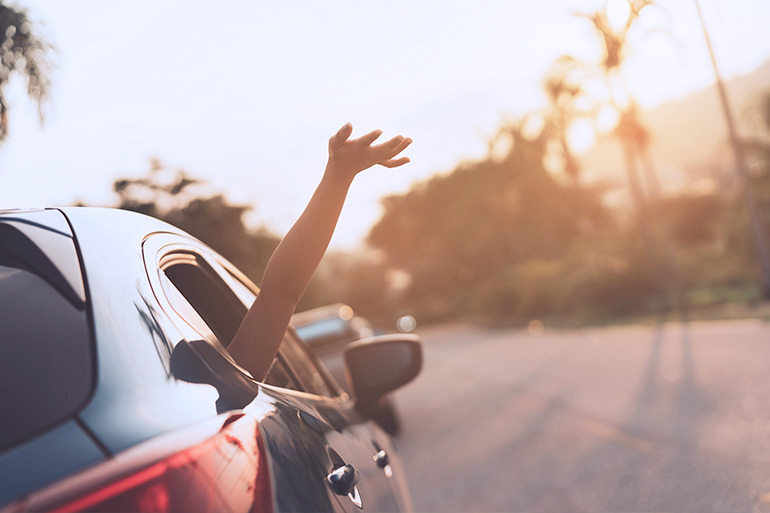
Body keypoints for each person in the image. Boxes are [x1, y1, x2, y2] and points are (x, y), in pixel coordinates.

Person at [227, 123, 412, 380]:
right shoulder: (226, 386)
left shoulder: (226, 384)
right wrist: (339, 175)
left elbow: (283, 290)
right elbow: (282, 290)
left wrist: (340, 175)